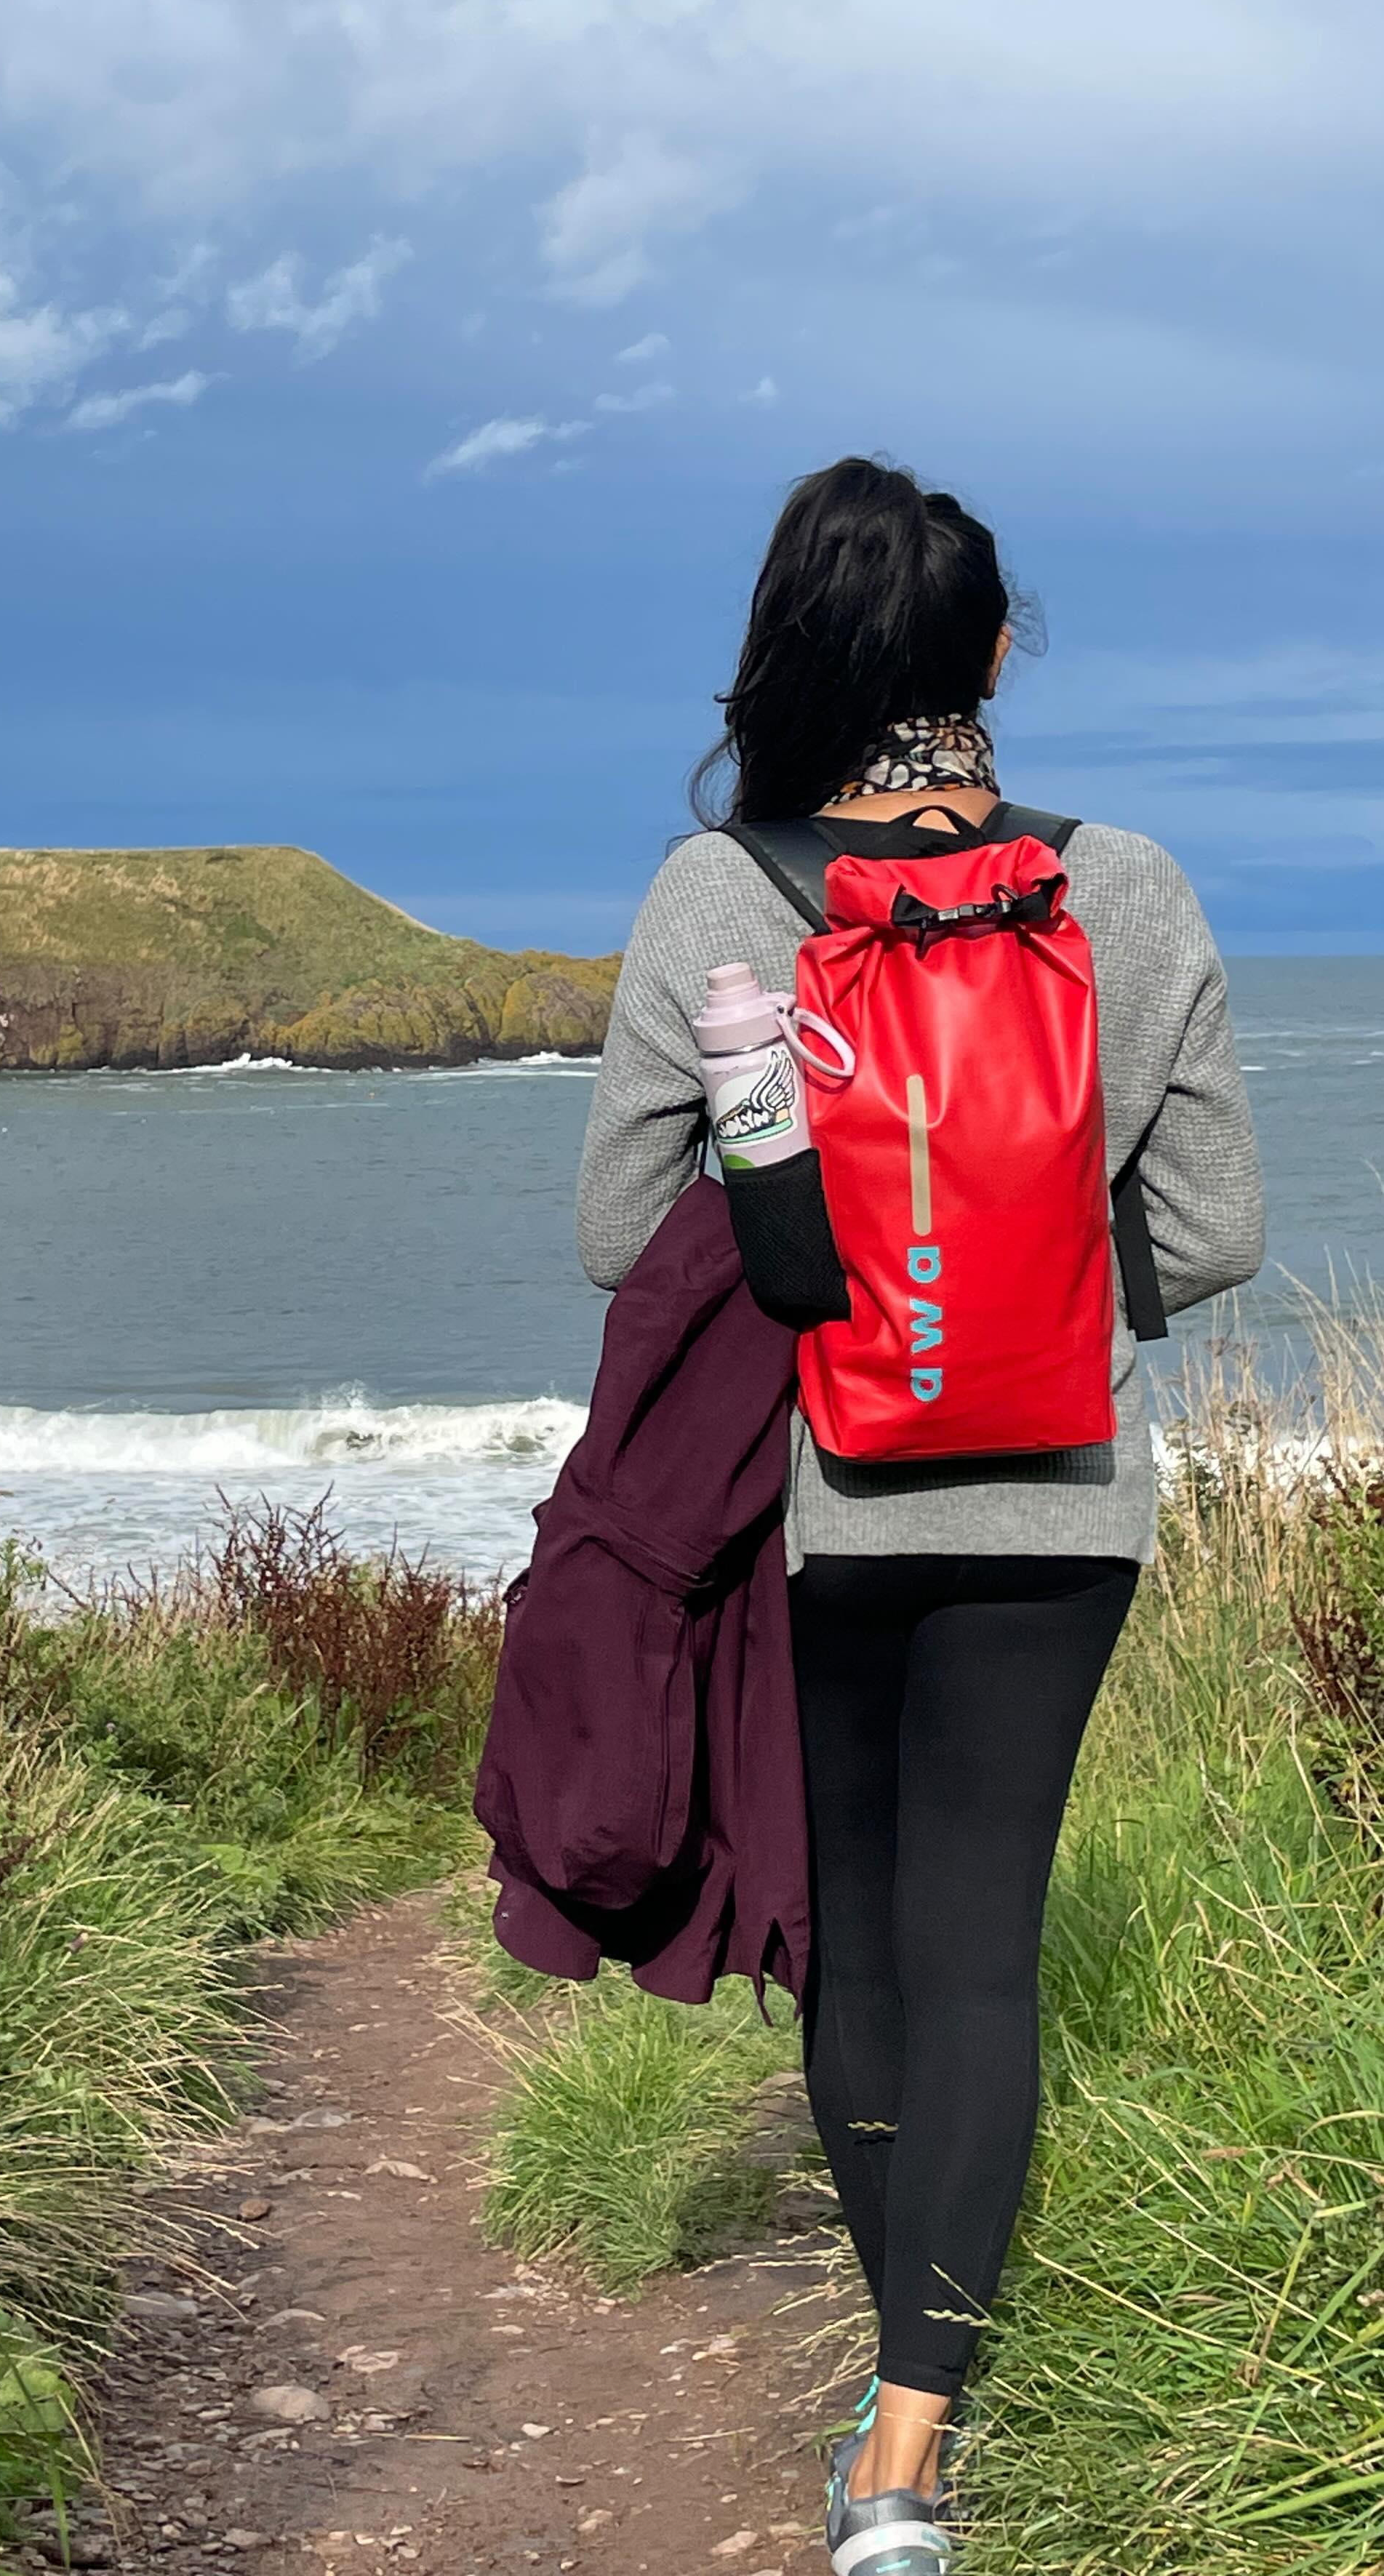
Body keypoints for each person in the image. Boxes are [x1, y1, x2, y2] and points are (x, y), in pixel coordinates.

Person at [575, 457, 1264, 2575]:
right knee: (983, 1951)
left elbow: (617, 1231)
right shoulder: (1122, 883)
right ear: (983, 656)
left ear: (790, 659)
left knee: (858, 1956)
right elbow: (1220, 1231)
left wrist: (832, 1254)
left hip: (828, 1502)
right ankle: (909, 2441)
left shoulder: (723, 899)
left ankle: (896, 2428)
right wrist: (1045, 1297)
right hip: (1062, 1509)